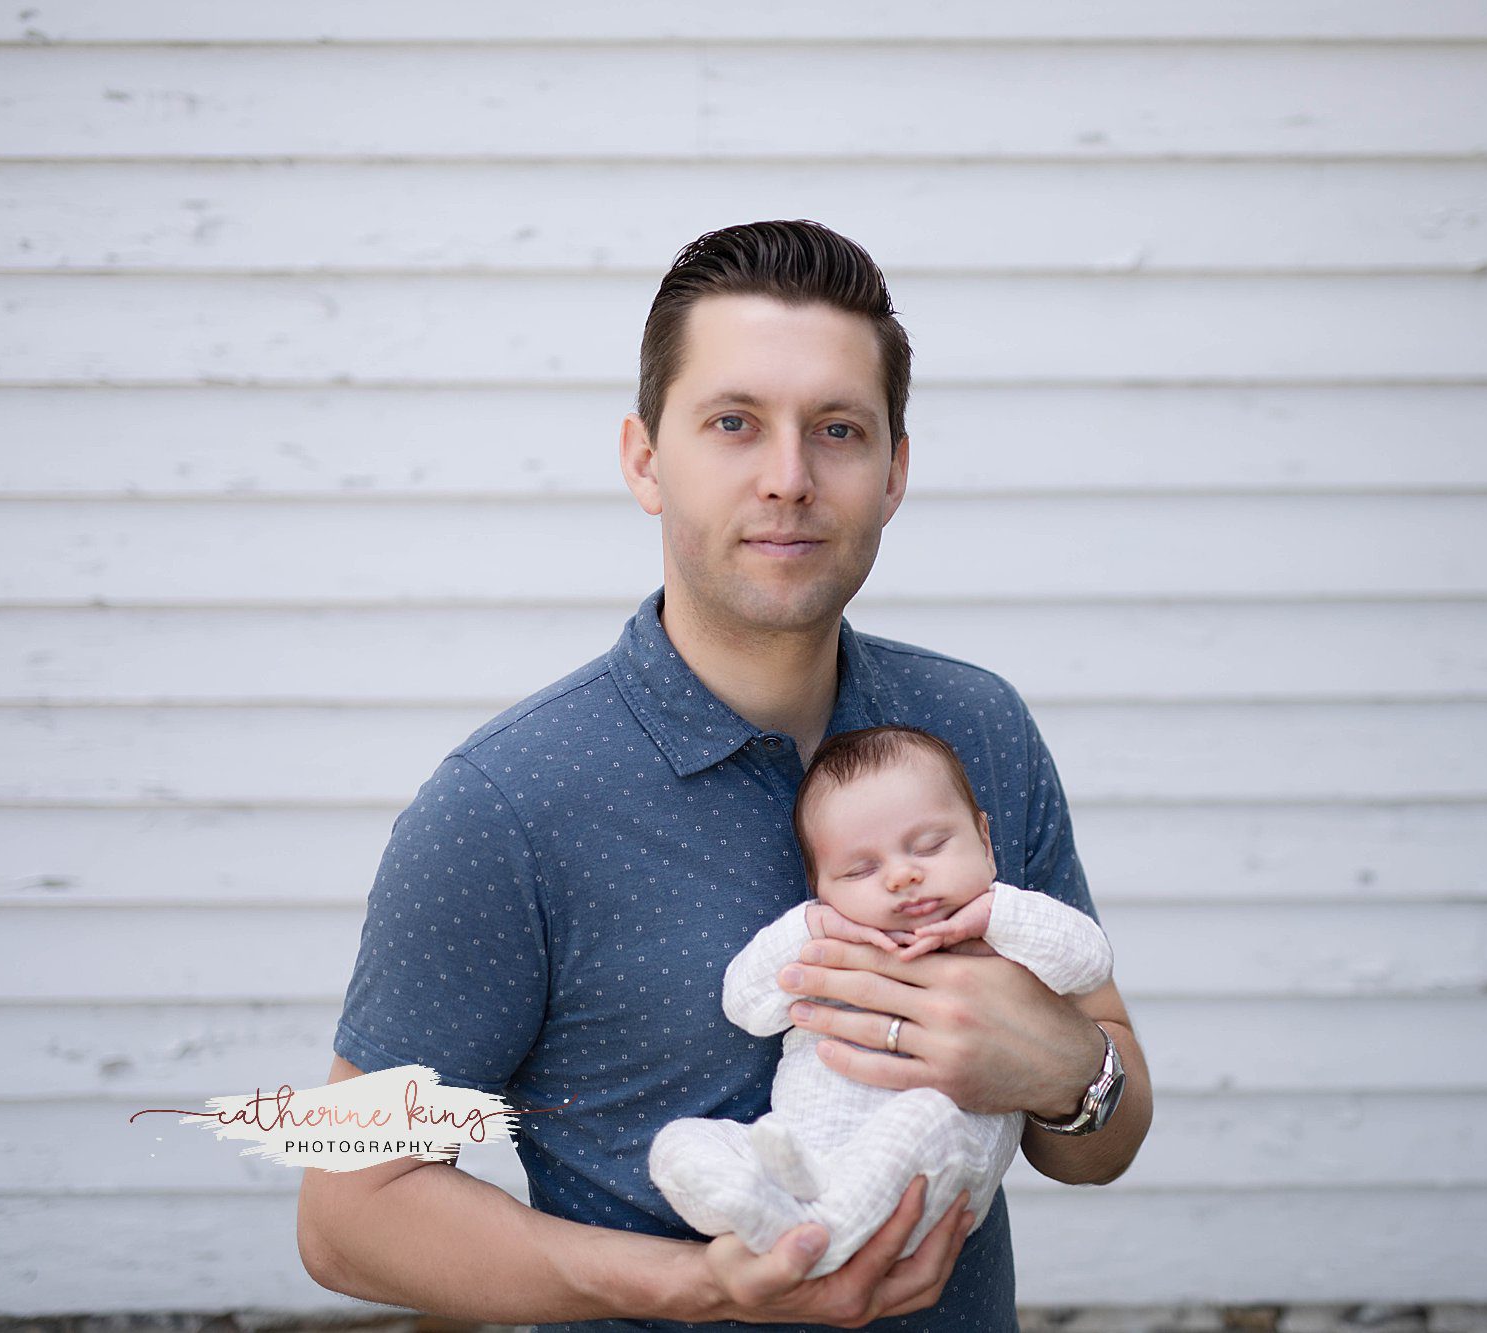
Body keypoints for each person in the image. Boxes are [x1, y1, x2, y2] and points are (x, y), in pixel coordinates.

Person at [297, 219, 1152, 1331]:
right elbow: (347, 1216)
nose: (788, 479)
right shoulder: (503, 807)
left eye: (837, 429)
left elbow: (1101, 1141)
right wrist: (693, 1288)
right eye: (734, 424)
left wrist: (1066, 1071)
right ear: (646, 459)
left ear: (893, 471)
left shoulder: (971, 724)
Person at [648, 725, 1116, 1279]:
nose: (902, 875)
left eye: (931, 846)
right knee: (680, 1145)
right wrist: (809, 927)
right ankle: (772, 1211)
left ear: (986, 843)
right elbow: (744, 1005)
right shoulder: (826, 945)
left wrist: (996, 915)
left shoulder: (1007, 933)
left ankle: (814, 1238)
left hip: (938, 1156)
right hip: (802, 1155)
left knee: (924, 1115)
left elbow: (1089, 961)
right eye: (860, 870)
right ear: (821, 887)